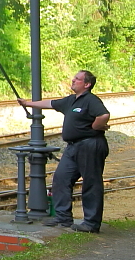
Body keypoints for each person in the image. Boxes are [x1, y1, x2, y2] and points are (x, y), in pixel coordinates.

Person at [18, 70, 111, 232]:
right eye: (74, 78)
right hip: (73, 147)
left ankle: (91, 223)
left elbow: (103, 115)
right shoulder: (71, 100)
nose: (73, 80)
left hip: (90, 145)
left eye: (78, 79)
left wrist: (96, 126)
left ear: (87, 84)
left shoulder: (91, 100)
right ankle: (63, 218)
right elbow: (50, 103)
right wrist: (28, 103)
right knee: (61, 178)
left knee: (91, 183)